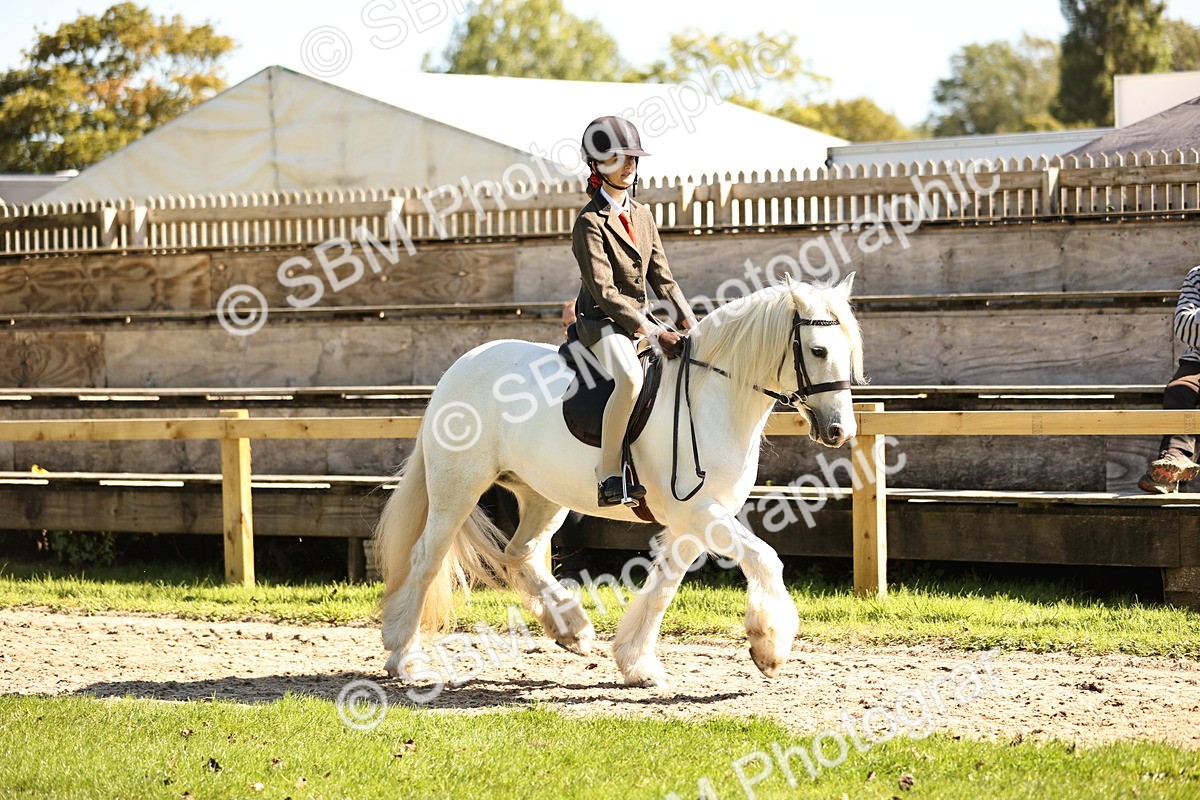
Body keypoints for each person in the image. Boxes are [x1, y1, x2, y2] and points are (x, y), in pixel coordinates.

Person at [571, 116, 697, 507]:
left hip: (642, 320)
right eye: (618, 159)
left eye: (633, 158)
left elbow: (663, 276)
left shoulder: (642, 215)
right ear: (596, 167)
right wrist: (648, 329)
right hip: (602, 323)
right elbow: (605, 292)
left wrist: (688, 317)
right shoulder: (589, 222)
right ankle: (608, 474)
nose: (629, 166)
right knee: (628, 378)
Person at [1139, 265, 1200, 493]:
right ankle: (1174, 459)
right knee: (1179, 390)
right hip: (1198, 361)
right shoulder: (1197, 275)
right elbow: (1184, 327)